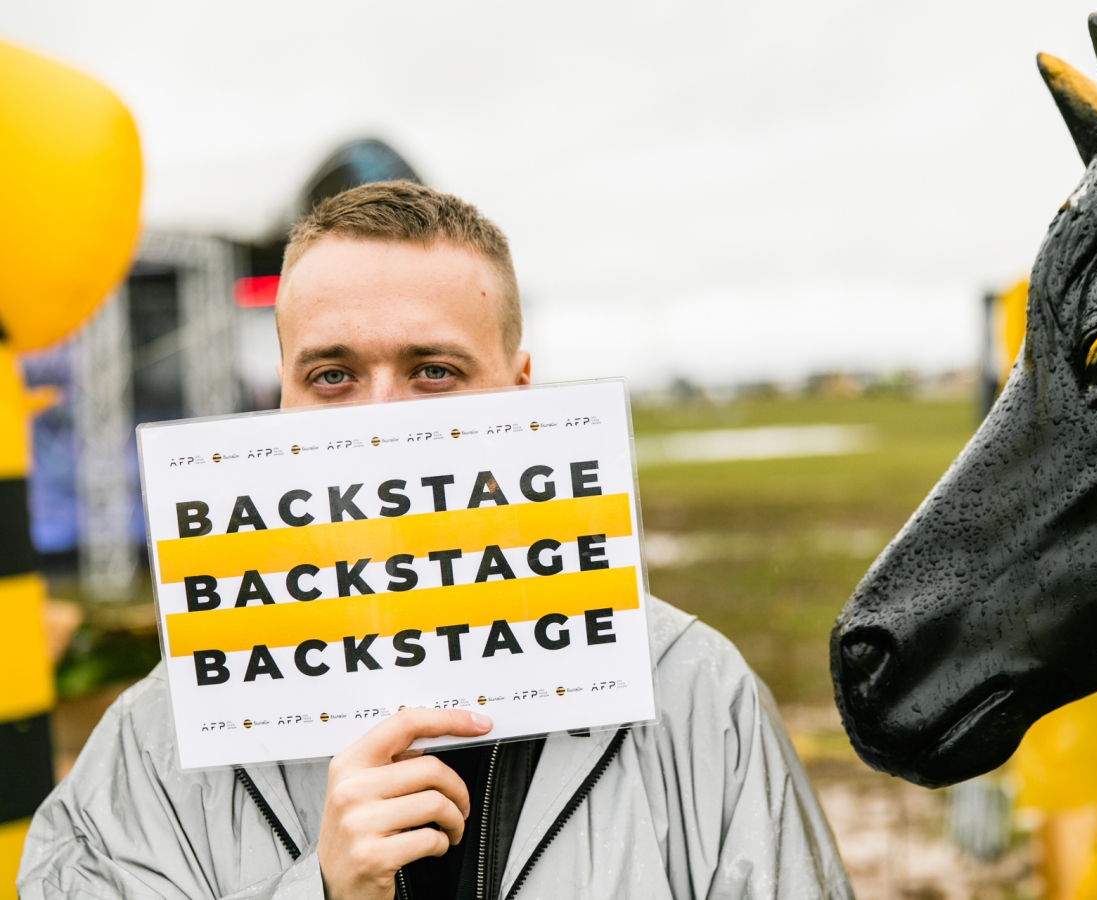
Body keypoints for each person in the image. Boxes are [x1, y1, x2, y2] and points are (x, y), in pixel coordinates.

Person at [18, 182, 853, 900]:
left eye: (434, 371)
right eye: (333, 376)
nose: (382, 419)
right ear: (282, 401)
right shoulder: (158, 737)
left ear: (520, 393)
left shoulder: (693, 693)